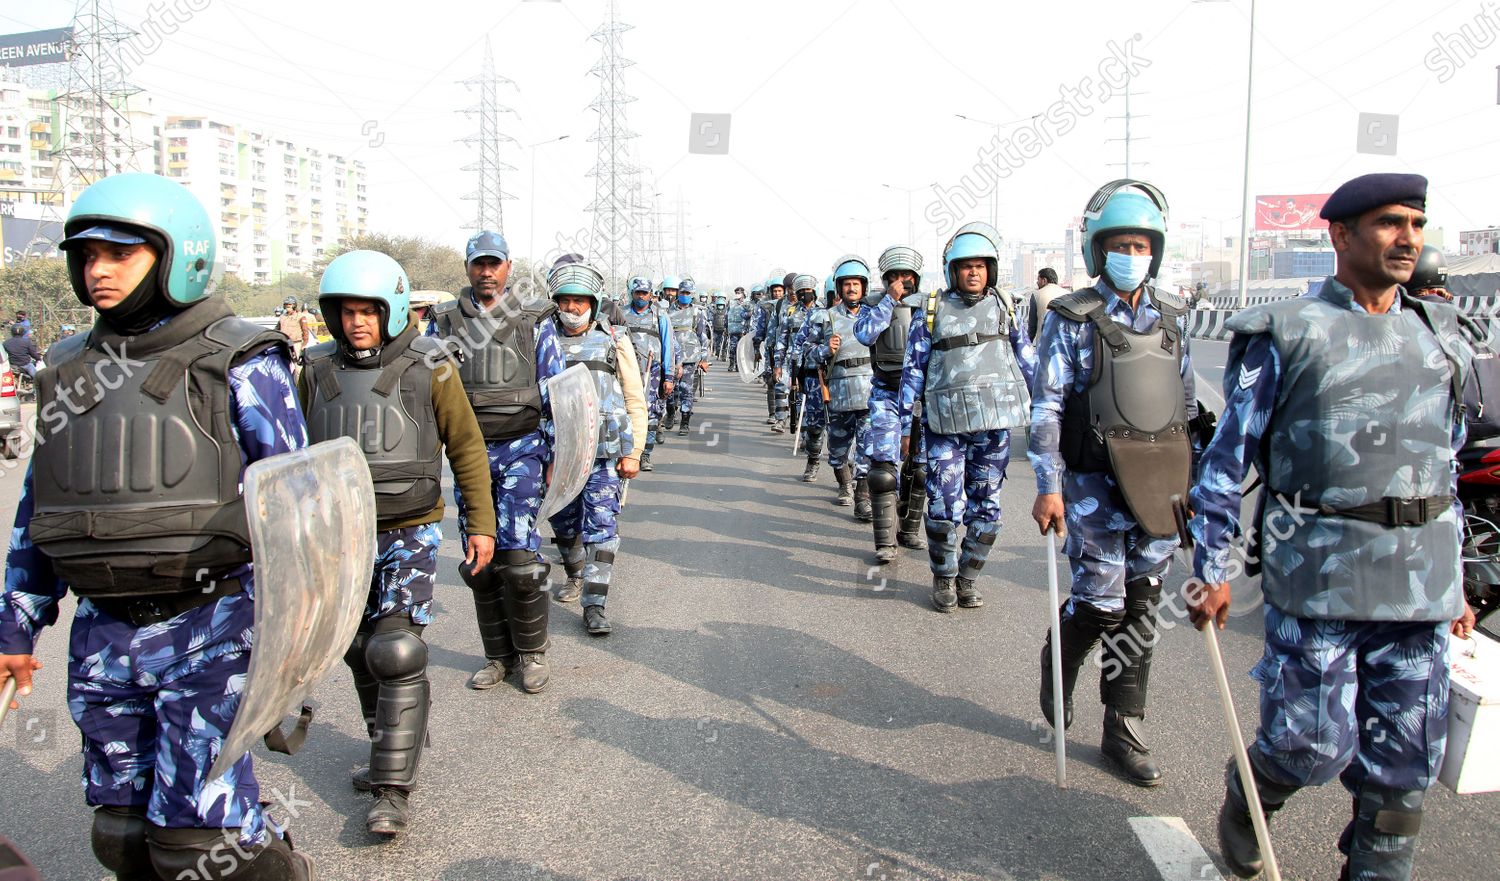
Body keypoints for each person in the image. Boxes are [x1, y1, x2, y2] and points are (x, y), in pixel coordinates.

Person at [0, 173, 314, 878]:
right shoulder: (68, 366)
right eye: (86, 256)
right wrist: (16, 625)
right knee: (120, 834)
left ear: (177, 256)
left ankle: (275, 867)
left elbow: (299, 506)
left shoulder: (240, 359)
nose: (98, 270)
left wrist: (294, 642)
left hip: (211, 629)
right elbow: (38, 505)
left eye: (120, 253)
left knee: (194, 843)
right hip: (104, 636)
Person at [1188, 172, 1480, 881]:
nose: (1408, 237)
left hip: (1419, 585)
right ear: (1340, 235)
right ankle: (1252, 787)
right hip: (1317, 573)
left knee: (1402, 773)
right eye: (1389, 223)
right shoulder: (1285, 332)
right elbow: (1227, 460)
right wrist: (1211, 567)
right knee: (1307, 744)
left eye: (1416, 223)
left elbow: (1446, 463)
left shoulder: (1442, 334)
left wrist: (1458, 579)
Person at [300, 250, 495, 836]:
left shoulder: (429, 363)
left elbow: (465, 446)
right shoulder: (311, 369)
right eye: (346, 311)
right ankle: (393, 742)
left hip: (409, 527)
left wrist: (479, 522)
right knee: (357, 648)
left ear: (391, 309)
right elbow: (286, 457)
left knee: (395, 649)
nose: (357, 322)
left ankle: (392, 788)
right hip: (341, 533)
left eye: (368, 310)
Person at [1028, 180, 1200, 787]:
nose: (1132, 253)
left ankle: (1122, 728)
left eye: (1141, 243)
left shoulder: (1173, 318)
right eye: (1120, 244)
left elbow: (1187, 407)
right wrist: (1048, 484)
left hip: (1158, 487)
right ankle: (1062, 658)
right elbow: (1047, 405)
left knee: (1143, 607)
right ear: (1099, 251)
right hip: (1095, 486)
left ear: (1155, 248)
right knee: (1102, 607)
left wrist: (1195, 488)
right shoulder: (1072, 318)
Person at [428, 230, 565, 695]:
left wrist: (554, 456)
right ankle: (498, 656)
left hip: (523, 447)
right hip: (469, 456)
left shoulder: (533, 320)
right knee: (479, 562)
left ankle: (531, 654)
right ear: (468, 268)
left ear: (508, 268)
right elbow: (428, 391)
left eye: (495, 264)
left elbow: (555, 391)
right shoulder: (445, 323)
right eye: (478, 264)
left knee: (520, 559)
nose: (486, 272)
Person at [901, 223, 1036, 612]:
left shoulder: (1006, 307)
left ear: (990, 270)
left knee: (987, 508)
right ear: (953, 272)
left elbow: (1027, 360)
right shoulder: (933, 310)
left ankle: (967, 578)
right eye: (966, 267)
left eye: (980, 266)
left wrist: (1049, 409)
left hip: (992, 425)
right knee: (943, 505)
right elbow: (914, 369)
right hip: (943, 425)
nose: (973, 273)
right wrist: (904, 426)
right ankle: (943, 575)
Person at [546, 261, 648, 635]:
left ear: (593, 302)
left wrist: (633, 452)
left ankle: (595, 603)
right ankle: (574, 570)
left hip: (604, 454)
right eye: (565, 301)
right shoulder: (542, 340)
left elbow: (635, 399)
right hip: (559, 453)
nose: (572, 308)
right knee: (562, 521)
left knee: (602, 528)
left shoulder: (615, 340)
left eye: (579, 301)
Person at [857, 245, 929, 562]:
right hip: (886, 394)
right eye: (895, 276)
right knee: (883, 470)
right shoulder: (874, 305)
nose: (902, 281)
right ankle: (885, 542)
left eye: (907, 275)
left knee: (921, 469)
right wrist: (889, 301)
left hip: (923, 400)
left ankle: (909, 529)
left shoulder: (932, 307)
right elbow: (865, 335)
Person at [810, 256, 876, 518]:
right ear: (839, 288)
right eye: (847, 284)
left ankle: (863, 498)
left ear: (864, 287)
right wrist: (825, 350)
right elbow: (806, 353)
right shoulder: (824, 318)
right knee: (838, 449)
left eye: (856, 284)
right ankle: (843, 485)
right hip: (838, 392)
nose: (852, 289)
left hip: (870, 392)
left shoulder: (874, 316)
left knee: (867, 448)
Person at [621, 276, 675, 472]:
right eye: (638, 293)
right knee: (626, 412)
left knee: (651, 414)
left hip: (653, 372)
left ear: (651, 295)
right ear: (632, 294)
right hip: (628, 370)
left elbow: (668, 346)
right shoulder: (622, 314)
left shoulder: (660, 315)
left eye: (645, 293)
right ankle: (628, 451)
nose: (641, 296)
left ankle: (645, 453)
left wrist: (668, 376)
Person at [667, 277, 710, 437]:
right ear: (678, 293)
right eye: (682, 292)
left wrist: (704, 359)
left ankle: (685, 421)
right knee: (670, 390)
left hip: (691, 357)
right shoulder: (668, 311)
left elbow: (702, 336)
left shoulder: (698, 312)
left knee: (686, 391)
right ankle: (671, 413)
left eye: (688, 293)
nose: (685, 295)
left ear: (692, 294)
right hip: (671, 357)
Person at [1029, 267, 1064, 341]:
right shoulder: (1068, 294)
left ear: (1044, 280)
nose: (1037, 282)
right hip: (1065, 346)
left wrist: (1028, 343)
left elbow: (1032, 326)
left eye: (1038, 279)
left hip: (1044, 346)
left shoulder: (1036, 295)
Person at [277, 295, 314, 363]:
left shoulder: (300, 316)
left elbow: (305, 331)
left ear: (294, 305)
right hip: (284, 344)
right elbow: (277, 330)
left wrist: (304, 345)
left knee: (297, 365)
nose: (288, 306)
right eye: (286, 304)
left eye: (290, 304)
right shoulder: (282, 317)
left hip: (296, 343)